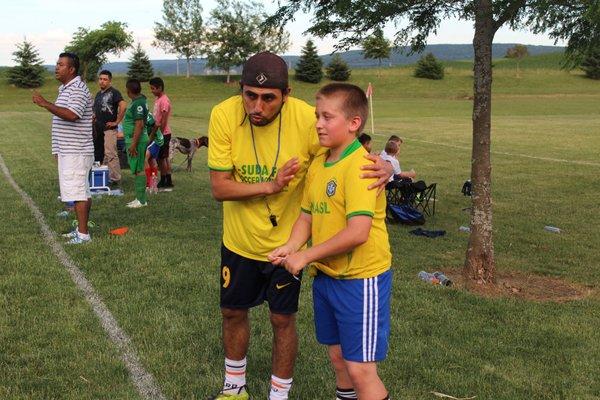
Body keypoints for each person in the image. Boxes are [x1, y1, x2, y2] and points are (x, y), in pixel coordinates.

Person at [207, 52, 392, 400]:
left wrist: (387, 167)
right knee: (234, 311)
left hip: (328, 262)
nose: (256, 107)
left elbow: (347, 151)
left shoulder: (310, 120)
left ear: (287, 94)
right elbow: (219, 187)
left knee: (286, 321)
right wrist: (272, 187)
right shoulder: (223, 114)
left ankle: (279, 395)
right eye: (249, 95)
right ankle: (234, 387)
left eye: (268, 98)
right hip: (247, 241)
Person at [269, 83, 392, 400]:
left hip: (360, 280)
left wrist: (306, 256)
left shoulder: (363, 166)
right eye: (316, 116)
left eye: (327, 117)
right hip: (327, 277)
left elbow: (358, 232)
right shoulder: (319, 165)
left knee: (361, 371)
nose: (319, 124)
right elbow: (307, 217)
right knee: (339, 360)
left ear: (354, 123)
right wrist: (292, 246)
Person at [32, 52, 94, 244]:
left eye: (60, 65)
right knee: (80, 191)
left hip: (76, 151)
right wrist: (57, 149)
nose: (56, 67)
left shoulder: (78, 90)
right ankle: (80, 229)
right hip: (69, 150)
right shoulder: (65, 89)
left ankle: (83, 235)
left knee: (78, 192)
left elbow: (71, 115)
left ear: (71, 69)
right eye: (56, 64)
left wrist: (45, 104)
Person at [92, 69, 126, 185]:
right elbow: (95, 111)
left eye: (105, 79)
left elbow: (123, 105)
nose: (102, 81)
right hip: (98, 129)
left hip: (109, 129)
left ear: (110, 81)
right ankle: (99, 176)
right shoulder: (98, 94)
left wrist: (117, 121)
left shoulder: (114, 92)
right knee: (98, 153)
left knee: (111, 153)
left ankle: (115, 179)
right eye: (100, 79)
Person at [122, 78, 150, 208]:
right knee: (137, 168)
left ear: (128, 91)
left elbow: (139, 124)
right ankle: (138, 197)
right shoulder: (138, 101)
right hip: (133, 139)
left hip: (136, 141)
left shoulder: (138, 103)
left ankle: (141, 200)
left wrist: (133, 144)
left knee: (139, 169)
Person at [149, 77, 173, 191]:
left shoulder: (164, 100)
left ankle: (164, 180)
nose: (151, 91)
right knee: (162, 157)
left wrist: (160, 135)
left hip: (163, 133)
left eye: (153, 88)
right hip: (160, 133)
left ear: (160, 88)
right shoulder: (158, 99)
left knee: (161, 158)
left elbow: (163, 120)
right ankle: (167, 180)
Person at [144, 112, 163, 192]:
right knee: (151, 160)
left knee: (145, 158)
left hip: (155, 139)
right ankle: (154, 185)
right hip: (155, 139)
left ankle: (148, 184)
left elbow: (157, 124)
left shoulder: (145, 113)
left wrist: (150, 137)